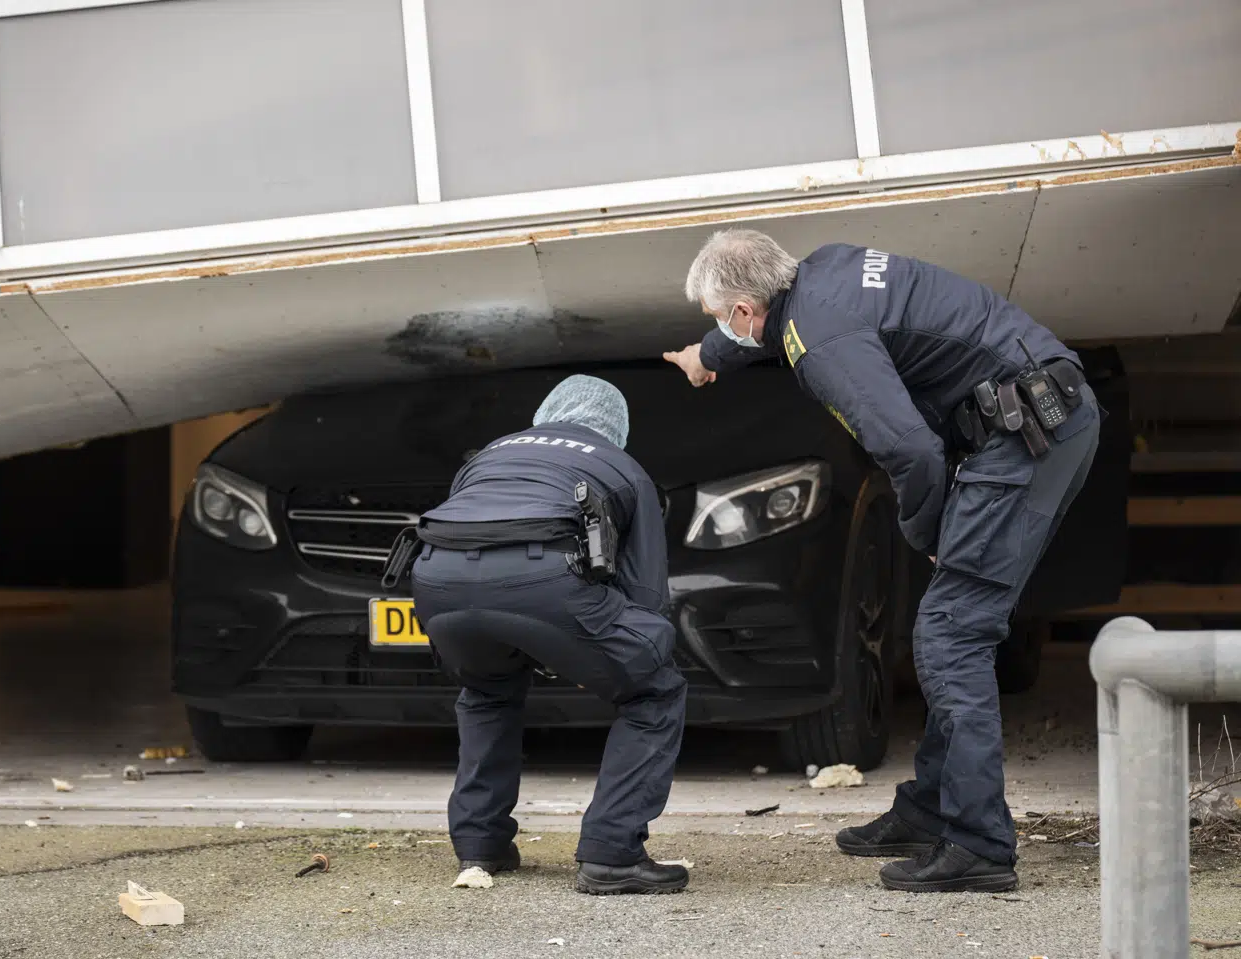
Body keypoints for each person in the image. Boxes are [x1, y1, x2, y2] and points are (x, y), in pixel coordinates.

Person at [665, 230, 1100, 893]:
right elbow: (757, 321)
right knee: (950, 624)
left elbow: (913, 453)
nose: (725, 328)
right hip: (1033, 414)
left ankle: (980, 843)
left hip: (1030, 433)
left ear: (746, 310)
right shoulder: (821, 270)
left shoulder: (822, 345)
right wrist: (708, 355)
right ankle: (930, 809)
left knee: (952, 633)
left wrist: (924, 530)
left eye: (721, 320)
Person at [406, 374, 689, 896]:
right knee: (656, 690)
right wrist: (618, 654)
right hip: (546, 582)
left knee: (487, 691)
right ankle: (612, 852)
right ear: (616, 429)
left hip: (435, 583)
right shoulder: (621, 467)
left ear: (546, 414)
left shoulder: (490, 454)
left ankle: (481, 845)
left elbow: (471, 538)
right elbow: (645, 591)